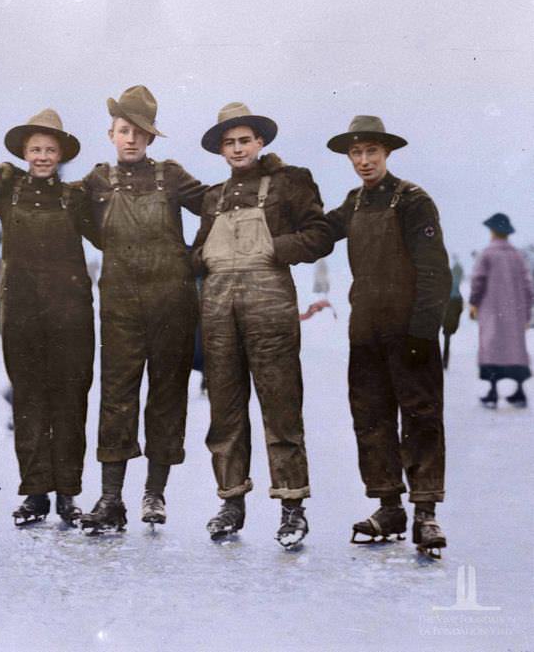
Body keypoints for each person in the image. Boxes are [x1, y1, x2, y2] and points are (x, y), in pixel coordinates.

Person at [191, 103, 332, 548]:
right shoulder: (213, 197)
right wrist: (202, 258)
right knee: (226, 412)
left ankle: (292, 507)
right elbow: (196, 252)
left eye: (244, 140)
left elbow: (321, 233)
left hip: (270, 306)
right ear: (221, 150)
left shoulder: (291, 183)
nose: (237, 149)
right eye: (229, 143)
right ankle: (232, 503)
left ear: (260, 142)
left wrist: (276, 248)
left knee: (280, 407)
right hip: (217, 311)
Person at [0, 108, 96, 527]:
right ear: (23, 152)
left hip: (71, 317)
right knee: (30, 403)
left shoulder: (75, 198)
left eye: (50, 149)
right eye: (35, 149)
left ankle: (69, 494)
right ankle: (35, 494)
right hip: (22, 316)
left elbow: (114, 234)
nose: (42, 156)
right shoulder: (6, 192)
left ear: (61, 155)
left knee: (71, 404)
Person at [77, 85, 208, 532]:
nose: (130, 139)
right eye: (122, 131)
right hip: (120, 306)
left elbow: (216, 204)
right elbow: (71, 214)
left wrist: (196, 255)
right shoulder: (95, 182)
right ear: (110, 134)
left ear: (150, 139)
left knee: (167, 395)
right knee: (116, 398)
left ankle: (155, 493)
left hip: (172, 302)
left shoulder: (171, 176)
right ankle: (111, 498)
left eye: (139, 132)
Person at [325, 115, 451, 557]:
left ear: (387, 154)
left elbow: (436, 271)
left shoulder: (413, 201)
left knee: (420, 416)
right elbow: (321, 233)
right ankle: (389, 507)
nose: (363, 161)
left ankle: (425, 512)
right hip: (366, 334)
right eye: (356, 154)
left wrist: (422, 331)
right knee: (371, 418)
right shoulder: (354, 204)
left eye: (371, 152)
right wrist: (271, 243)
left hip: (409, 333)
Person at [469, 213, 533, 408]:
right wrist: (528, 312)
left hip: (492, 312)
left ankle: (493, 393)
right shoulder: (517, 255)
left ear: (493, 232)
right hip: (516, 313)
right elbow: (529, 286)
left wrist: (473, 303)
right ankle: (520, 393)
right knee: (516, 350)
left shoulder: (487, 254)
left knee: (493, 349)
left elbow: (478, 281)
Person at [441, 254, 464, 370]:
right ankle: (445, 360)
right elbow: (460, 310)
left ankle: (443, 360)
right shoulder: (456, 289)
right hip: (452, 306)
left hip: (447, 305)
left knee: (445, 334)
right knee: (447, 335)